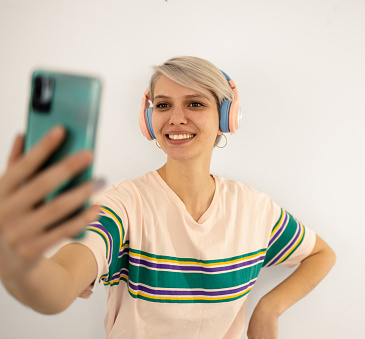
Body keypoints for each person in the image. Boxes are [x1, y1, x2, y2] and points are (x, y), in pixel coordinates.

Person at [0, 56, 336, 339]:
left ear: (224, 118)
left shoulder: (254, 209)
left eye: (195, 103)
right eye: (163, 105)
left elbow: (322, 254)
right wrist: (12, 256)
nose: (176, 118)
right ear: (149, 120)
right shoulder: (124, 205)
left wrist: (269, 308)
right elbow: (57, 289)